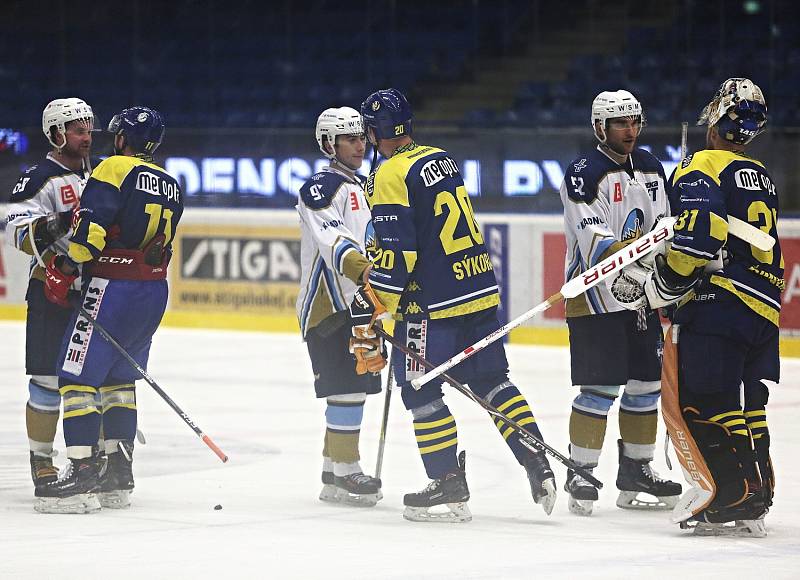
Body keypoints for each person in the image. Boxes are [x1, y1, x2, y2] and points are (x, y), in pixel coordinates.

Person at [350, 88, 556, 523]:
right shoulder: (438, 158)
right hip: (478, 289)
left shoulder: (390, 174)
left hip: (432, 305)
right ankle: (537, 462)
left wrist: (377, 302)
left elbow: (399, 251)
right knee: (494, 382)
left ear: (374, 131)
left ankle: (446, 481)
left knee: (420, 389)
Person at [644, 78, 779, 537]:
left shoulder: (700, 164)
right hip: (764, 306)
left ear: (717, 121)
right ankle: (756, 491)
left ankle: (727, 494)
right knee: (747, 401)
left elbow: (701, 235)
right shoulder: (760, 173)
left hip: (721, 301)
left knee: (704, 399)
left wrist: (667, 279)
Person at [35, 106, 182, 514]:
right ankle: (119, 473)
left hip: (113, 286)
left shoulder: (114, 168)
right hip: (153, 290)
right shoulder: (172, 181)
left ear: (122, 139)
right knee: (120, 380)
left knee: (75, 376)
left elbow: (91, 230)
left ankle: (82, 470)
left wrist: (64, 268)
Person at [558, 89, 681, 516]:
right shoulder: (582, 174)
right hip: (595, 299)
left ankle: (635, 470)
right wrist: (635, 263)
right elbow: (596, 243)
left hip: (642, 298)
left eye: (634, 121)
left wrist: (662, 273)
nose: (630, 130)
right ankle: (581, 471)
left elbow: (666, 226)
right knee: (600, 387)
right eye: (620, 123)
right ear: (600, 128)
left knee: (646, 386)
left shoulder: (650, 166)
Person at [5, 98, 97, 498]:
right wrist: (60, 222)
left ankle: (92, 458)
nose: (86, 135)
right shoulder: (38, 178)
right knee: (45, 382)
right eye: (77, 129)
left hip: (93, 292)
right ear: (56, 134)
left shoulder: (101, 175)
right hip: (51, 291)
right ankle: (42, 462)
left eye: (89, 127)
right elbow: (17, 232)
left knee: (91, 381)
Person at [296, 107, 383, 507]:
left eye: (361, 137)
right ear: (329, 143)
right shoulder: (320, 187)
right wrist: (367, 271)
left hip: (361, 302)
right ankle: (348, 472)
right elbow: (334, 240)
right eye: (349, 138)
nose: (359, 145)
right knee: (346, 387)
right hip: (329, 305)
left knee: (354, 387)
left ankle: (333, 473)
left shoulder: (366, 186)